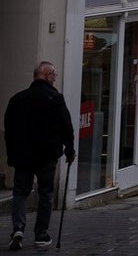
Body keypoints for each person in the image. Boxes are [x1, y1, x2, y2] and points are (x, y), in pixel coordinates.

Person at [5, 61, 74, 252]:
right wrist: (70, 150)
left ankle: (18, 228)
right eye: (54, 75)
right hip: (47, 155)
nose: (55, 79)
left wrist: (11, 155)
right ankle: (41, 235)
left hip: (23, 156)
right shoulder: (55, 98)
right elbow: (66, 126)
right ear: (46, 75)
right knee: (45, 193)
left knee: (20, 192)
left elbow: (9, 131)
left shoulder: (17, 99)